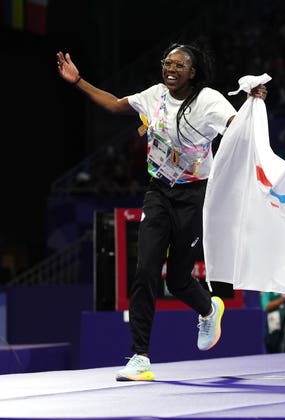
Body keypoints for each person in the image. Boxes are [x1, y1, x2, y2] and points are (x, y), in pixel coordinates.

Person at [56, 41, 267, 381]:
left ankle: (210, 308)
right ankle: (140, 357)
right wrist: (78, 81)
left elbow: (239, 129)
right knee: (145, 272)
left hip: (196, 194)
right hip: (158, 191)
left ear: (192, 72)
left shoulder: (209, 101)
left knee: (180, 279)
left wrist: (251, 103)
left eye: (178, 65)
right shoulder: (154, 95)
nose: (170, 69)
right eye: (167, 62)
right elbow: (113, 105)